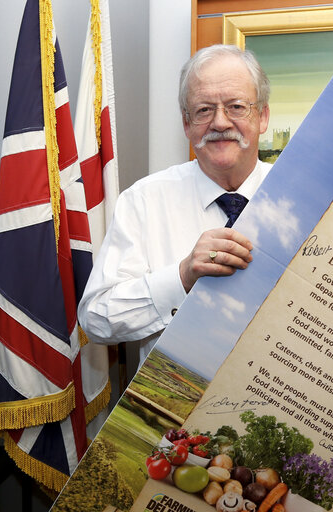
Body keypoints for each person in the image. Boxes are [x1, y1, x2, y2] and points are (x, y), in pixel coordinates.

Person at [78, 44, 271, 361]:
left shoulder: (304, 197)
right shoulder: (144, 201)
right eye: (204, 110)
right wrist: (181, 277)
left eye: (236, 106)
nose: (220, 122)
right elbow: (96, 319)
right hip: (172, 402)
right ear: (186, 123)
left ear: (262, 116)